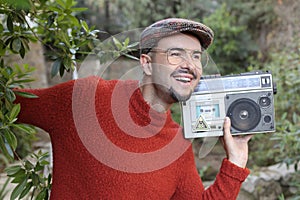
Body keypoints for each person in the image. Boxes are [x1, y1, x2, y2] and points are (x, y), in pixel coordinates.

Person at [15, 18, 252, 199]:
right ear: (146, 64)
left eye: (196, 57)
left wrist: (236, 161)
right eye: (175, 54)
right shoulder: (86, 98)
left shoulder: (178, 144)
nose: (189, 65)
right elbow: (10, 104)